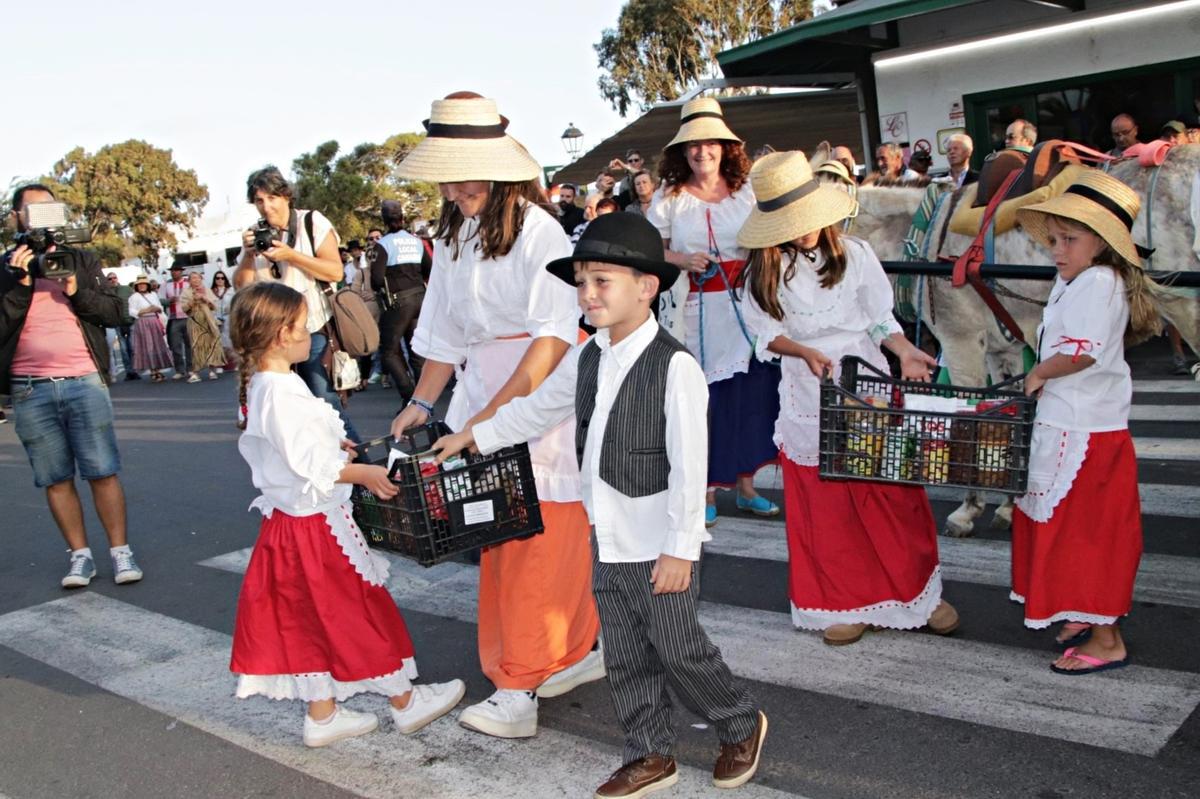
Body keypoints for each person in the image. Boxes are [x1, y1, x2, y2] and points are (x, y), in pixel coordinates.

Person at [434, 213, 767, 797]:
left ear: (647, 286)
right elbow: (536, 410)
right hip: (606, 536)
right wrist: (473, 433)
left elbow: (691, 471)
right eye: (582, 282)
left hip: (657, 540)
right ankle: (649, 753)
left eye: (602, 281)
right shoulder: (588, 358)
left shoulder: (674, 365)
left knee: (679, 647)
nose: (587, 294)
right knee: (626, 654)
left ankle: (739, 724)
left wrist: (680, 551)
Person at [390, 92, 602, 739]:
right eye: (447, 174)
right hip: (484, 388)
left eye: (465, 171)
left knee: (540, 534)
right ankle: (569, 652)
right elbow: (445, 335)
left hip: (539, 393)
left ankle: (519, 684)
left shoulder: (539, 230)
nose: (454, 187)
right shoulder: (452, 234)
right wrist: (420, 403)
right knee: (503, 534)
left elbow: (552, 337)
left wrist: (490, 419)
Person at [227, 281, 465, 747]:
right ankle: (404, 700)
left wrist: (335, 447)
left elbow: (296, 450)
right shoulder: (278, 391)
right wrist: (360, 472)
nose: (311, 332)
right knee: (354, 611)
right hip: (315, 528)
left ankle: (322, 712)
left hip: (292, 526)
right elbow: (308, 464)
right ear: (280, 335)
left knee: (310, 618)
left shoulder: (270, 384)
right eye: (302, 326)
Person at [738, 152, 957, 645]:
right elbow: (765, 336)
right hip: (806, 387)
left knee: (889, 497)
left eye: (808, 220)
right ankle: (842, 601)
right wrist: (803, 351)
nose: (804, 232)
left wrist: (905, 353)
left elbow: (882, 321)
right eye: (790, 225)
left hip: (867, 383)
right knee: (829, 505)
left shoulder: (855, 254)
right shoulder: (763, 272)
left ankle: (916, 596)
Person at [1011, 171, 1159, 674]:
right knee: (1071, 528)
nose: (1057, 250)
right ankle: (1081, 612)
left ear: (1102, 242)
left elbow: (1082, 353)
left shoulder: (1098, 281)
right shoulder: (1078, 278)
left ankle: (1107, 637)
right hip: (1070, 423)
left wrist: (1036, 373)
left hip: (1086, 429)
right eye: (1053, 239)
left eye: (1068, 240)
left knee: (1088, 536)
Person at [0, 183, 143, 588]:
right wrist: (20, 285)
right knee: (55, 478)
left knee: (103, 470)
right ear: (17, 218)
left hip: (84, 378)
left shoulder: (81, 258)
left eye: (50, 211)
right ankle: (80, 556)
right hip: (30, 387)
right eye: (33, 212)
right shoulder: (5, 268)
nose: (43, 221)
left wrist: (76, 291)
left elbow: (117, 312)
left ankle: (120, 551)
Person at [647, 96, 780, 527]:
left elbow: (767, 238)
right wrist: (681, 260)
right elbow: (650, 250)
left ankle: (745, 489)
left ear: (725, 148)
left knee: (747, 396)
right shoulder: (669, 199)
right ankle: (704, 489)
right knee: (706, 401)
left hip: (748, 307)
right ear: (682, 151)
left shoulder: (745, 193)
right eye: (693, 145)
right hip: (697, 311)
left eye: (710, 143)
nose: (702, 151)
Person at [233, 166, 360, 442]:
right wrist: (246, 255)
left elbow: (335, 272)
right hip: (272, 338)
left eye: (272, 198)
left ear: (286, 196)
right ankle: (312, 468)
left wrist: (291, 254)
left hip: (311, 329)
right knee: (286, 409)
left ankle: (363, 472)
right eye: (259, 201)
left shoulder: (311, 223)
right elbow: (242, 287)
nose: (266, 207)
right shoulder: (257, 235)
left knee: (326, 405)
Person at [369, 199, 429, 400]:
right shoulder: (417, 241)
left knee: (389, 351)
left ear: (384, 220)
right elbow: (429, 269)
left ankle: (408, 396)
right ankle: (423, 399)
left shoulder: (383, 245)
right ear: (403, 218)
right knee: (416, 351)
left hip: (398, 302)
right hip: (420, 298)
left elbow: (376, 279)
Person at [128, 275, 173, 382]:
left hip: (154, 320)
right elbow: (132, 312)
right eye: (140, 285)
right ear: (137, 286)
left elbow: (160, 307)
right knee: (147, 345)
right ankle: (153, 370)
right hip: (143, 321)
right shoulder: (134, 297)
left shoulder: (153, 294)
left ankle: (158, 369)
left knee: (157, 344)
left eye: (144, 284)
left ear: (147, 285)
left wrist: (156, 308)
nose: (142, 286)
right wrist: (147, 310)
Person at [181, 271, 223, 380]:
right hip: (195, 320)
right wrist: (193, 301)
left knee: (211, 343)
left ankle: (212, 370)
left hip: (208, 319)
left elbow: (214, 305)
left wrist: (205, 298)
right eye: (193, 278)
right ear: (189, 281)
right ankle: (196, 372)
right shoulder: (186, 292)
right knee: (196, 345)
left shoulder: (207, 290)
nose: (195, 280)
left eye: (197, 278)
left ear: (201, 279)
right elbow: (184, 308)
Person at [161, 263, 197, 381]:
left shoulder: (188, 283)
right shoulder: (166, 285)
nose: (174, 272)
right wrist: (168, 301)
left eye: (177, 270)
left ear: (181, 271)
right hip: (173, 318)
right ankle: (179, 370)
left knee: (189, 344)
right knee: (175, 345)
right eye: (172, 270)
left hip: (188, 316)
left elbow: (196, 295)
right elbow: (160, 299)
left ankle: (191, 369)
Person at [107, 273, 139, 380]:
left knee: (132, 347)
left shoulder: (127, 289)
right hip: (117, 324)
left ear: (117, 278)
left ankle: (134, 370)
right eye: (110, 278)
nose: (112, 280)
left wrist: (135, 315)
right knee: (124, 350)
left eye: (114, 277)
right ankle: (129, 371)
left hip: (130, 321)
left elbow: (135, 301)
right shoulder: (106, 292)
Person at [211, 270, 235, 368]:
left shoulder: (231, 290)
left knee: (229, 341)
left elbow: (235, 301)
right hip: (215, 318)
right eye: (217, 278)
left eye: (222, 278)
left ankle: (233, 363)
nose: (220, 280)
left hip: (228, 317)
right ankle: (219, 364)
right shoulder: (211, 291)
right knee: (217, 342)